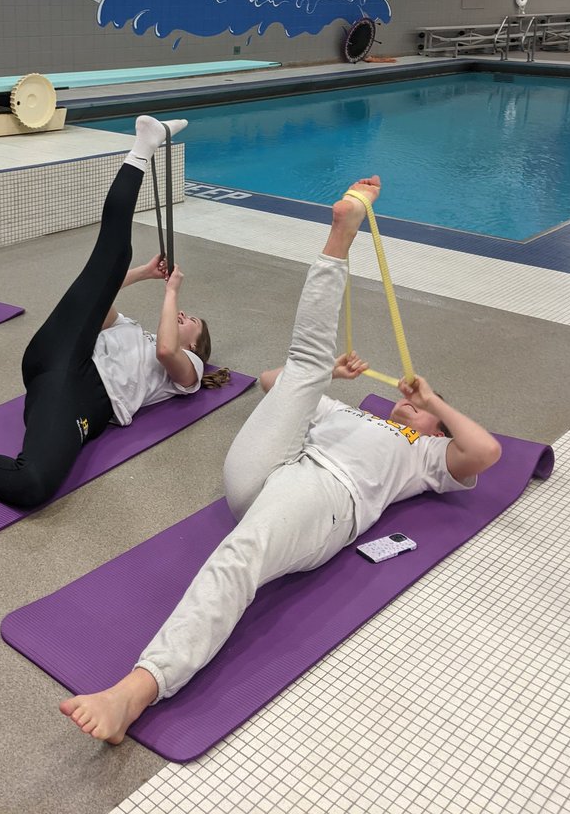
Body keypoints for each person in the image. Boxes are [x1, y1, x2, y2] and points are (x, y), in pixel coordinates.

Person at [59, 176, 503, 744]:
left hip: (325, 500)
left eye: (418, 414)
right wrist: (324, 380)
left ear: (434, 430)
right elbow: (273, 383)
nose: (405, 408)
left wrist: (433, 401)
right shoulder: (353, 415)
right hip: (272, 469)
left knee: (238, 557)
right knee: (302, 362)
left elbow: (484, 451)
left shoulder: (425, 455)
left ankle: (137, 689)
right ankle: (338, 237)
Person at [0, 116, 226, 508]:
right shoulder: (133, 329)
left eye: (190, 321)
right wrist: (144, 274)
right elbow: (99, 298)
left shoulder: (190, 371)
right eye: (184, 312)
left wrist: (171, 293)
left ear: (197, 344)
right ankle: (143, 147)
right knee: (114, 256)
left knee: (32, 486)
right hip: (59, 352)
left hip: (79, 397)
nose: (182, 316)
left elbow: (166, 351)